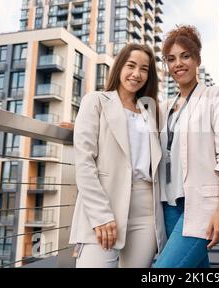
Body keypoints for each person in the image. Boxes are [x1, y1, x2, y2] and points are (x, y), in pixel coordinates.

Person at [69, 43, 166, 268]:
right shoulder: (96, 101)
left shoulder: (151, 113)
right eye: (131, 65)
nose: (136, 74)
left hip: (145, 212)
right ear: (119, 67)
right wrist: (101, 215)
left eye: (144, 69)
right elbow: (84, 162)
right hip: (105, 203)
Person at [153, 25, 219, 268]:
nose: (178, 63)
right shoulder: (167, 106)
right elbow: (129, 127)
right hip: (169, 206)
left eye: (185, 56)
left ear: (197, 59)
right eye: (171, 59)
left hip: (202, 206)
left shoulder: (215, 96)